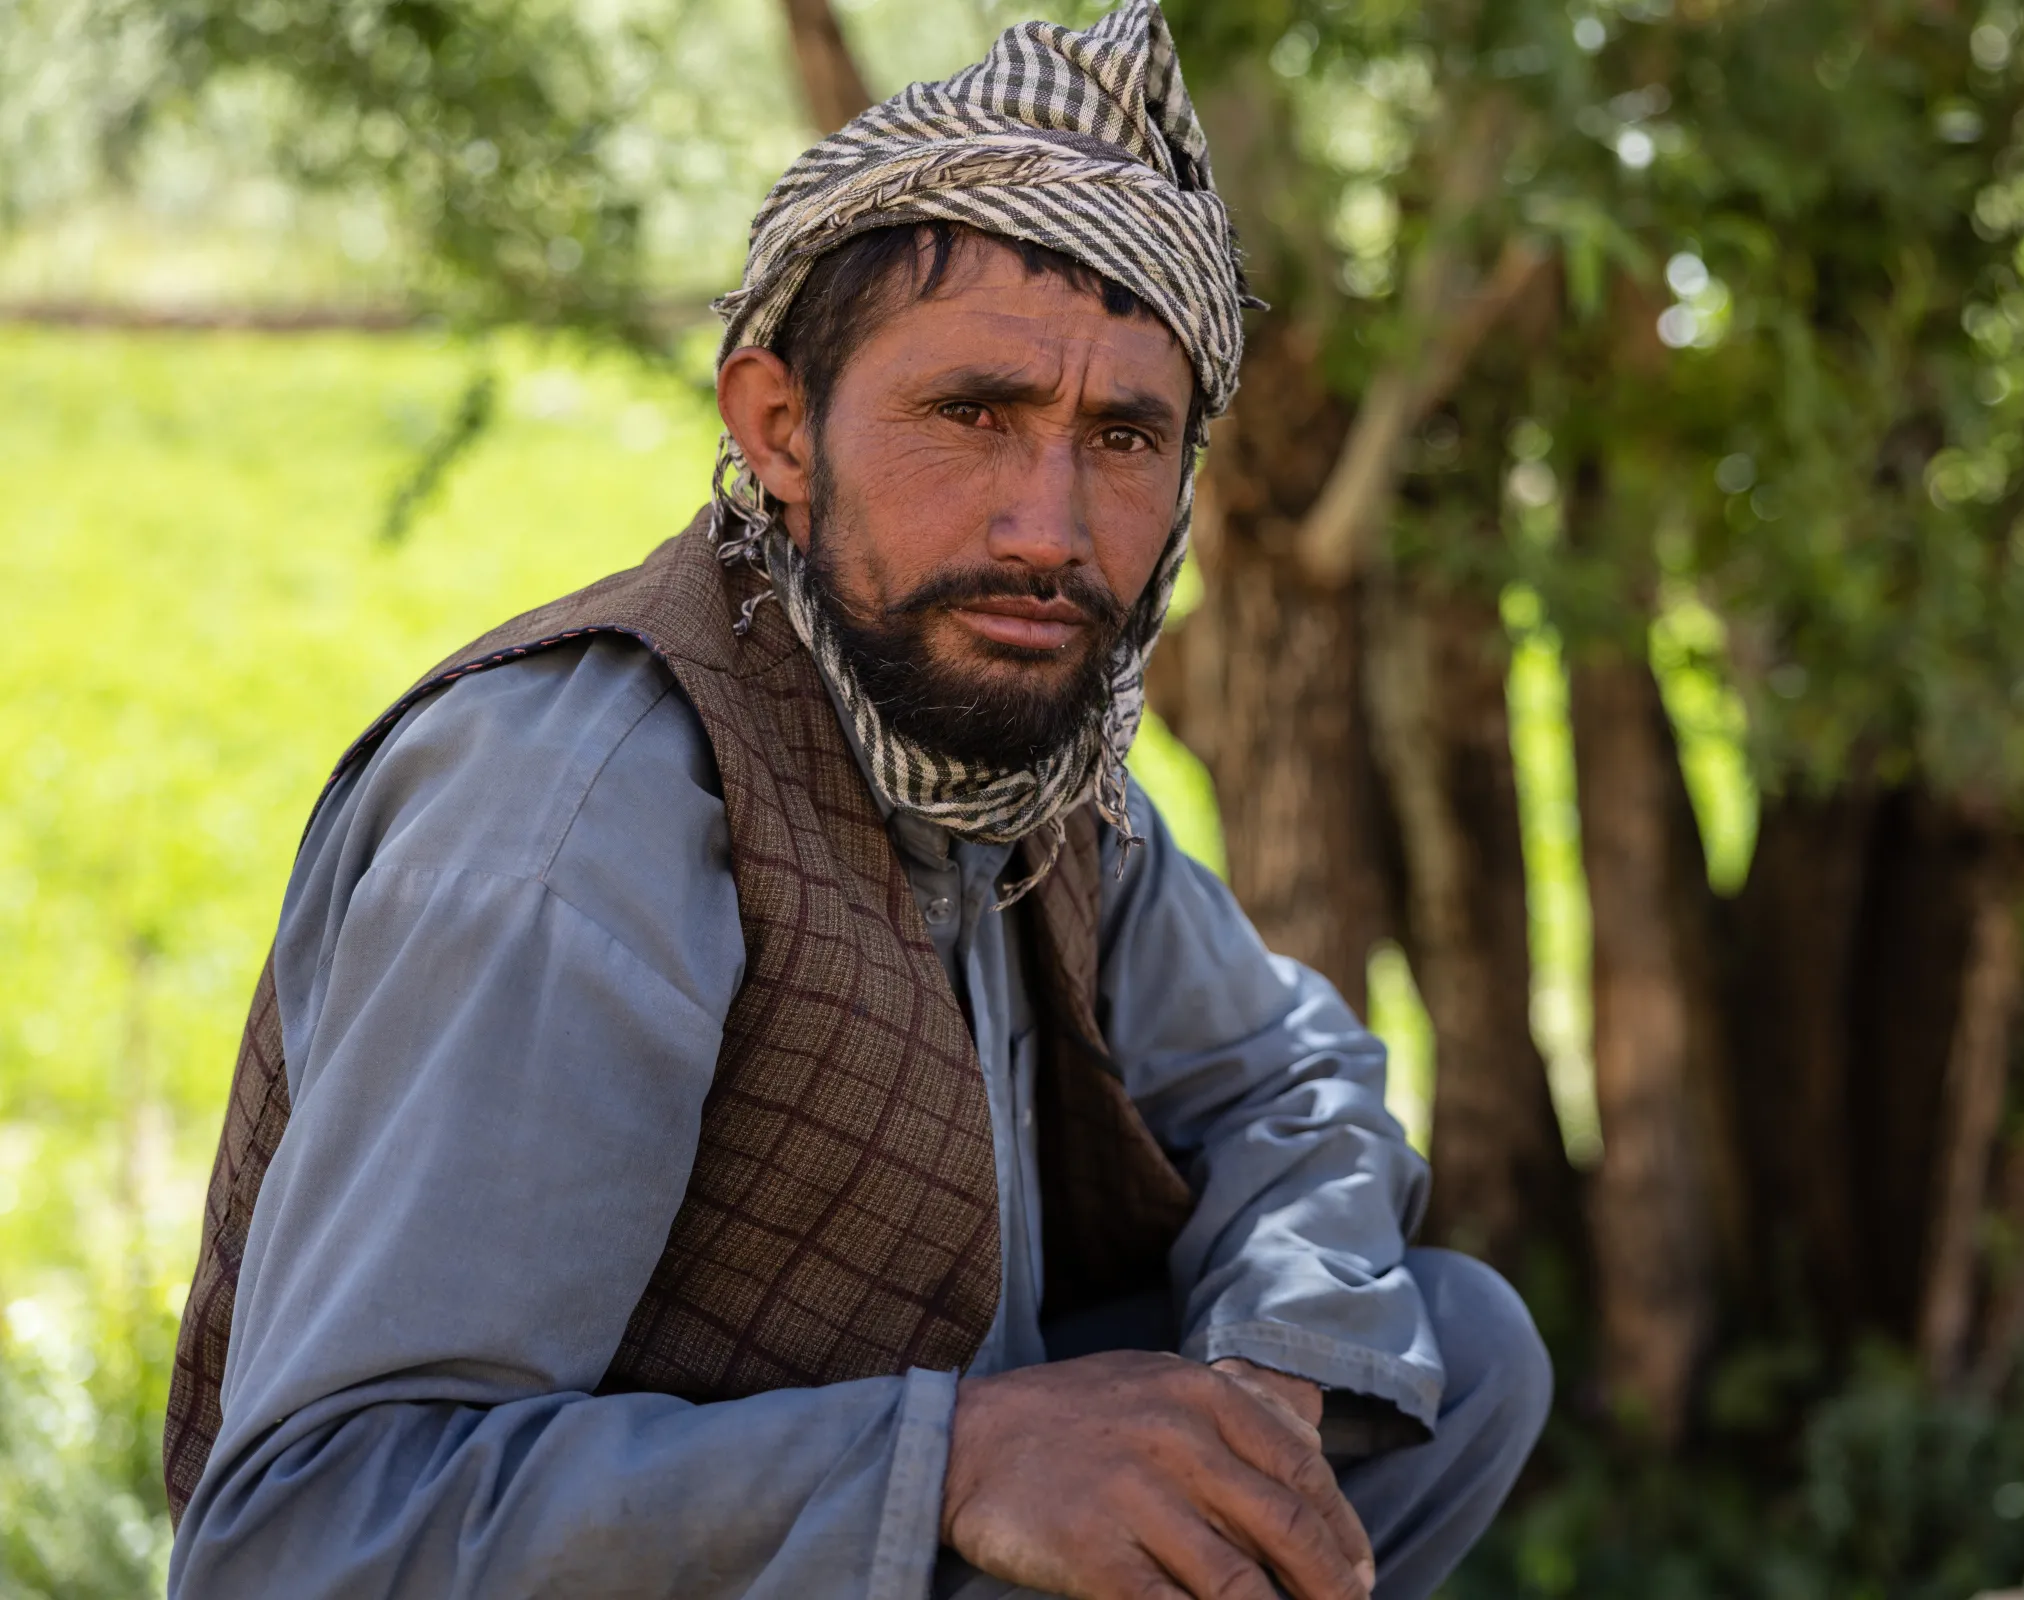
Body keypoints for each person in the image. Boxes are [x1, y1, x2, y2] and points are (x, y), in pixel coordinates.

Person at [161, 5, 1548, 1596]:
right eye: (973, 415)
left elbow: (1292, 1085)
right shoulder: (574, 826)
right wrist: (950, 1460)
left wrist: (1264, 1376)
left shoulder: (1024, 767)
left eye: (1121, 437)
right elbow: (304, 1540)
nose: (1048, 527)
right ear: (778, 428)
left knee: (1449, 1350)